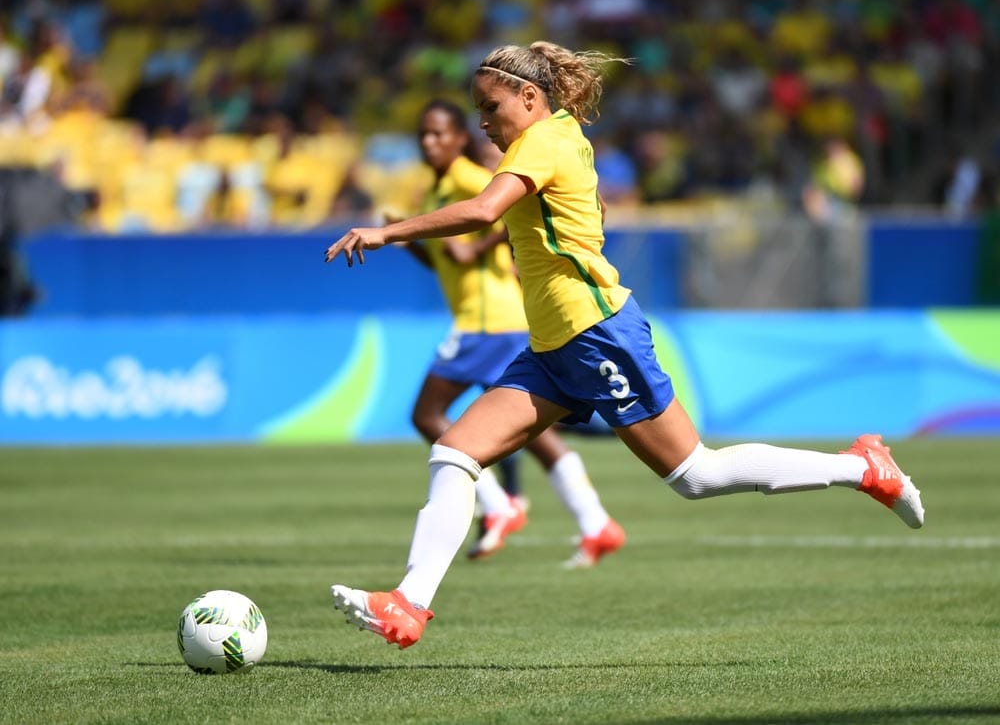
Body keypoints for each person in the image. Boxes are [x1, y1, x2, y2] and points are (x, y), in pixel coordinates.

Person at [323, 41, 925, 650]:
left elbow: (484, 211)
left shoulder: (542, 142)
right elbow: (587, 206)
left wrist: (385, 231)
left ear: (529, 97)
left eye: (491, 106)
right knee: (454, 451)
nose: (483, 121)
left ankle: (864, 468)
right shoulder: (562, 133)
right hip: (553, 346)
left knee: (696, 474)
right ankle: (409, 603)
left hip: (595, 333)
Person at [402, 98, 625, 564]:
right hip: (493, 320)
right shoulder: (433, 193)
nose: (429, 143)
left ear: (461, 138)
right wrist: (407, 242)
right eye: (422, 135)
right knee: (533, 429)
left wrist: (480, 246)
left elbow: (512, 205)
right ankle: (595, 521)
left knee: (428, 415)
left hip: (487, 321)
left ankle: (499, 504)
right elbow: (444, 257)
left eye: (438, 133)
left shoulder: (469, 178)